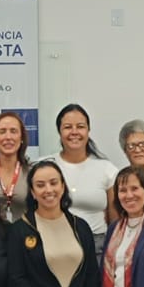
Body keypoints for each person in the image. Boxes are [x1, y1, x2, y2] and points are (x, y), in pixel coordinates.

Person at [45, 104, 119, 251]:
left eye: (80, 126)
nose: (74, 132)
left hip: (96, 246)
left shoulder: (107, 169)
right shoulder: (45, 167)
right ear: (59, 131)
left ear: (88, 130)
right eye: (67, 127)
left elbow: (115, 221)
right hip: (53, 245)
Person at [0, 111, 31, 224]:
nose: (8, 137)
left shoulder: (34, 173)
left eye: (13, 131)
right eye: (2, 131)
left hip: (27, 238)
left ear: (21, 138)